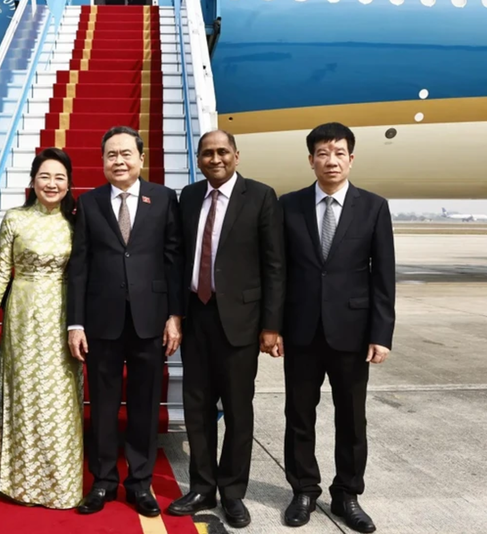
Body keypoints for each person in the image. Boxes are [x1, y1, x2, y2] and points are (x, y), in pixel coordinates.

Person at [278, 122, 395, 533]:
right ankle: (304, 489)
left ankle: (347, 494)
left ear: (351, 158)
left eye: (339, 152)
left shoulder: (373, 207)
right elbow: (279, 273)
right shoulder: (287, 206)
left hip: (352, 332)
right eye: (322, 153)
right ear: (310, 160)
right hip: (302, 329)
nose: (331, 160)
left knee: (351, 418)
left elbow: (383, 276)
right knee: (299, 415)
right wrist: (273, 327)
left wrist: (381, 334)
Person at [167, 130, 285, 528]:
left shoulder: (261, 196)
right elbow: (180, 256)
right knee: (197, 409)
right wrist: (176, 313)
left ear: (236, 155)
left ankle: (232, 491)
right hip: (197, 316)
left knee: (237, 410)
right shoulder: (188, 197)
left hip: (241, 322)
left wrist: (271, 325)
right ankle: (202, 486)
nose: (215, 158)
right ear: (198, 159)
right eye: (207, 153)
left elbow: (274, 265)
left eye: (222, 152)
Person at [68, 126, 184, 517]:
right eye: (111, 155)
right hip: (102, 322)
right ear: (102, 162)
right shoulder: (89, 203)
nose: (118, 161)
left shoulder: (164, 199)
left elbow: (173, 260)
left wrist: (174, 315)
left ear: (140, 158)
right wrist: (76, 323)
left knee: (144, 405)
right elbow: (79, 267)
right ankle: (102, 481)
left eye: (125, 154)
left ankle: (139, 483)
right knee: (101, 406)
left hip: (150, 320)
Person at [0, 147, 83, 509]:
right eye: (45, 176)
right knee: (26, 397)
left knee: (62, 400)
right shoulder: (15, 218)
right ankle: (24, 484)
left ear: (68, 184)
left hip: (64, 315)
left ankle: (62, 485)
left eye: (60, 177)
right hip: (23, 315)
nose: (52, 183)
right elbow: (1, 273)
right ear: (33, 181)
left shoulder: (76, 221)